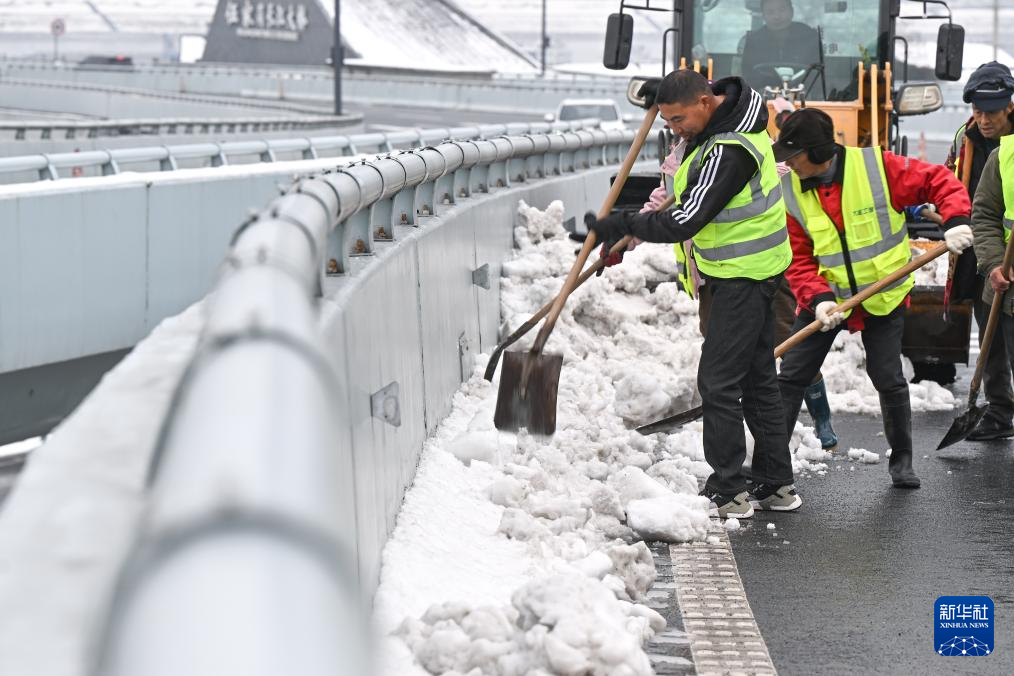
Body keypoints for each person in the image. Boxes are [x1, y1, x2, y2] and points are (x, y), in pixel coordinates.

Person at [588, 69, 800, 518]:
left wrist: (625, 222)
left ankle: (728, 489)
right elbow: (668, 194)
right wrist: (628, 237)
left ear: (706, 103)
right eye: (666, 121)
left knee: (718, 383)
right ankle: (775, 484)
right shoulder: (712, 130)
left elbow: (684, 219)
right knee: (757, 377)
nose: (673, 129)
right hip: (753, 271)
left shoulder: (728, 151)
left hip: (741, 277)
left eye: (678, 119)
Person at [772, 108, 974, 489]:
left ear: (816, 152)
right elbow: (796, 257)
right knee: (791, 376)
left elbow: (939, 181)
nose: (788, 163)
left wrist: (957, 220)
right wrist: (817, 299)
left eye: (793, 155)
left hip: (882, 295)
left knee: (888, 378)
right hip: (828, 299)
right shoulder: (790, 191)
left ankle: (902, 462)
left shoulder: (879, 168)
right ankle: (772, 466)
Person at [944, 61, 1014, 441]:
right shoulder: (965, 137)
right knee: (990, 330)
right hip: (979, 246)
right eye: (977, 111)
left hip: (1006, 248)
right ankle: (1001, 410)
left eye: (992, 112)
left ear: (1009, 107)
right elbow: (951, 179)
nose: (984, 120)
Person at [971, 136, 1014, 403]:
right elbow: (985, 214)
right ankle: (999, 412)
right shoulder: (1004, 155)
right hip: (1009, 285)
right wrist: (994, 264)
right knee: (996, 352)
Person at [740, 0, 821, 91]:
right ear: (763, 16)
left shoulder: (809, 37)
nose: (777, 16)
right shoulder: (754, 41)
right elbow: (748, 77)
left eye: (782, 10)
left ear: (792, 12)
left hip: (804, 97)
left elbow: (817, 75)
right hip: (765, 98)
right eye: (770, 12)